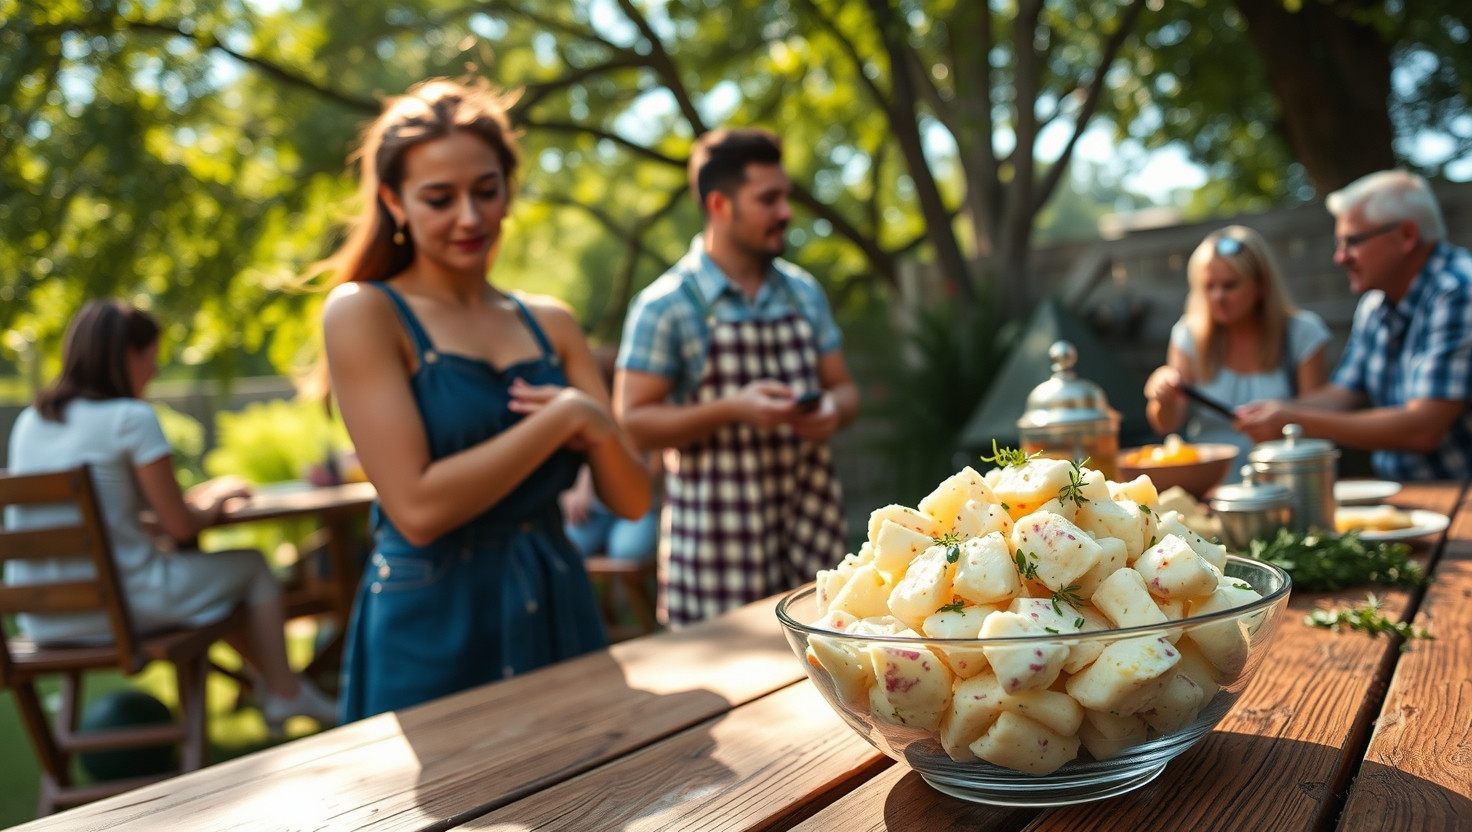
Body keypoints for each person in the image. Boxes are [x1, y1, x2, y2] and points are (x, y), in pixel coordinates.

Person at [316, 78, 651, 721]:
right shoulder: (364, 313)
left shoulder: (550, 322)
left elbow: (632, 498)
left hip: (557, 603)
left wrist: (597, 429)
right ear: (393, 201)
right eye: (439, 198)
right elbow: (415, 508)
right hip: (432, 625)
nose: (469, 217)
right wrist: (564, 420)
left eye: (486, 190)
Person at [4, 300, 336, 735]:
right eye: (150, 357)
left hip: (43, 620)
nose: (156, 371)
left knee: (216, 590)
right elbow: (180, 525)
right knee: (252, 566)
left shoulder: (30, 422)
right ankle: (286, 694)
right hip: (124, 608)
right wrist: (219, 493)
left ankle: (276, 687)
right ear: (124, 355)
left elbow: (112, 517)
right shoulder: (130, 417)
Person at [615, 127, 858, 628]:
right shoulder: (666, 305)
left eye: (784, 197)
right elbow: (633, 422)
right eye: (768, 199)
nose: (785, 212)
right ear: (721, 205)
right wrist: (732, 408)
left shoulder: (802, 293)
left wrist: (831, 410)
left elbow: (845, 389)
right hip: (714, 557)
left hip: (810, 536)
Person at [1235, 170, 1472, 480]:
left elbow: (1423, 429)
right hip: (1407, 493)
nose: (1340, 257)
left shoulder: (1458, 291)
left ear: (1407, 236)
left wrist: (1293, 421)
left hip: (1460, 498)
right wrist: (1273, 410)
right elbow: (1341, 395)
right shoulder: (1375, 305)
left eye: (1352, 241)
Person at [1143, 225, 1330, 479]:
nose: (1218, 297)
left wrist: (1283, 418)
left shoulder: (1302, 333)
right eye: (1209, 286)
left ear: (1260, 285)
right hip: (1212, 485)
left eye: (1230, 285)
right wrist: (1162, 395)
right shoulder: (1189, 334)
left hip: (1284, 479)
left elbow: (1319, 422)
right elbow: (1166, 424)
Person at [560, 346, 661, 562]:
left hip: (636, 513)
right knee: (568, 546)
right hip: (594, 514)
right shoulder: (583, 415)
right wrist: (576, 489)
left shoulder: (639, 416)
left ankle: (625, 596)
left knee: (626, 550)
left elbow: (652, 469)